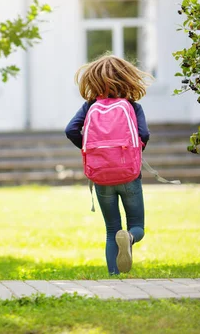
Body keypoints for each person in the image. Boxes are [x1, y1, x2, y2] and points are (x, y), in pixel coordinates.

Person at [65, 55, 151, 275]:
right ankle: (129, 237)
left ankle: (114, 277)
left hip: (101, 176)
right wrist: (133, 153)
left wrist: (91, 151)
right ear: (127, 79)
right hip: (130, 175)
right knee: (137, 225)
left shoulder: (90, 106)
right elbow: (144, 134)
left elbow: (70, 130)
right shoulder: (132, 106)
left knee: (112, 228)